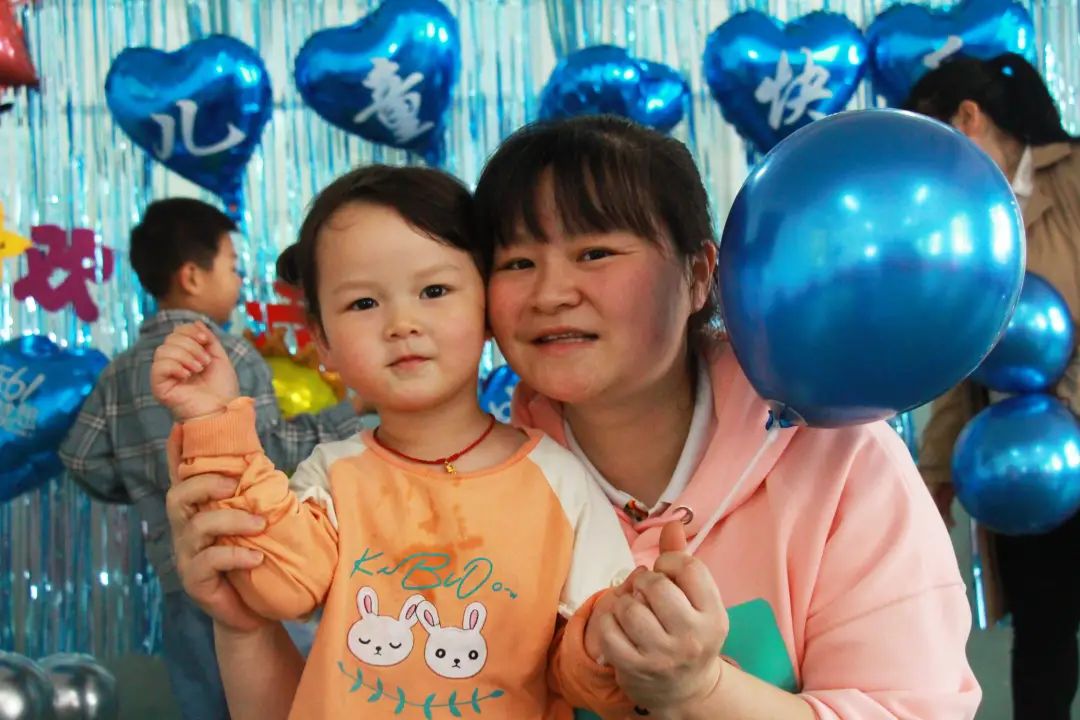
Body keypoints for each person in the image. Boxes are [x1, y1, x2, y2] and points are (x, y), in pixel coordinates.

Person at [165, 116, 981, 719]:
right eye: (518, 261)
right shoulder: (470, 482)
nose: (552, 292)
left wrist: (702, 690)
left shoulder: (841, 464)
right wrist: (241, 629)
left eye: (595, 252)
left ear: (699, 275)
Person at [150, 165, 636, 718]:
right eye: (364, 303)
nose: (402, 323)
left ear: (487, 308)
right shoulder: (331, 477)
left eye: (434, 291)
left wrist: (613, 639)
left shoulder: (557, 479)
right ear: (323, 340)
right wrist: (214, 421)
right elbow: (278, 584)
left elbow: (595, 668)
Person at [58, 198, 367, 720]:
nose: (241, 283)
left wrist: (148, 486)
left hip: (181, 576)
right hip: (257, 565)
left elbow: (80, 459)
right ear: (192, 277)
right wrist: (349, 412)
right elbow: (270, 451)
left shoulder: (120, 371)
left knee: (202, 704)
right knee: (287, 700)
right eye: (233, 268)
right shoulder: (231, 355)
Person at [907, 52, 1080, 720]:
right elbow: (962, 350)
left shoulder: (1071, 178)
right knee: (1042, 634)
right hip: (1017, 469)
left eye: (937, 143)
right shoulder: (965, 217)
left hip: (1070, 437)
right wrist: (936, 470)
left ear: (968, 118)